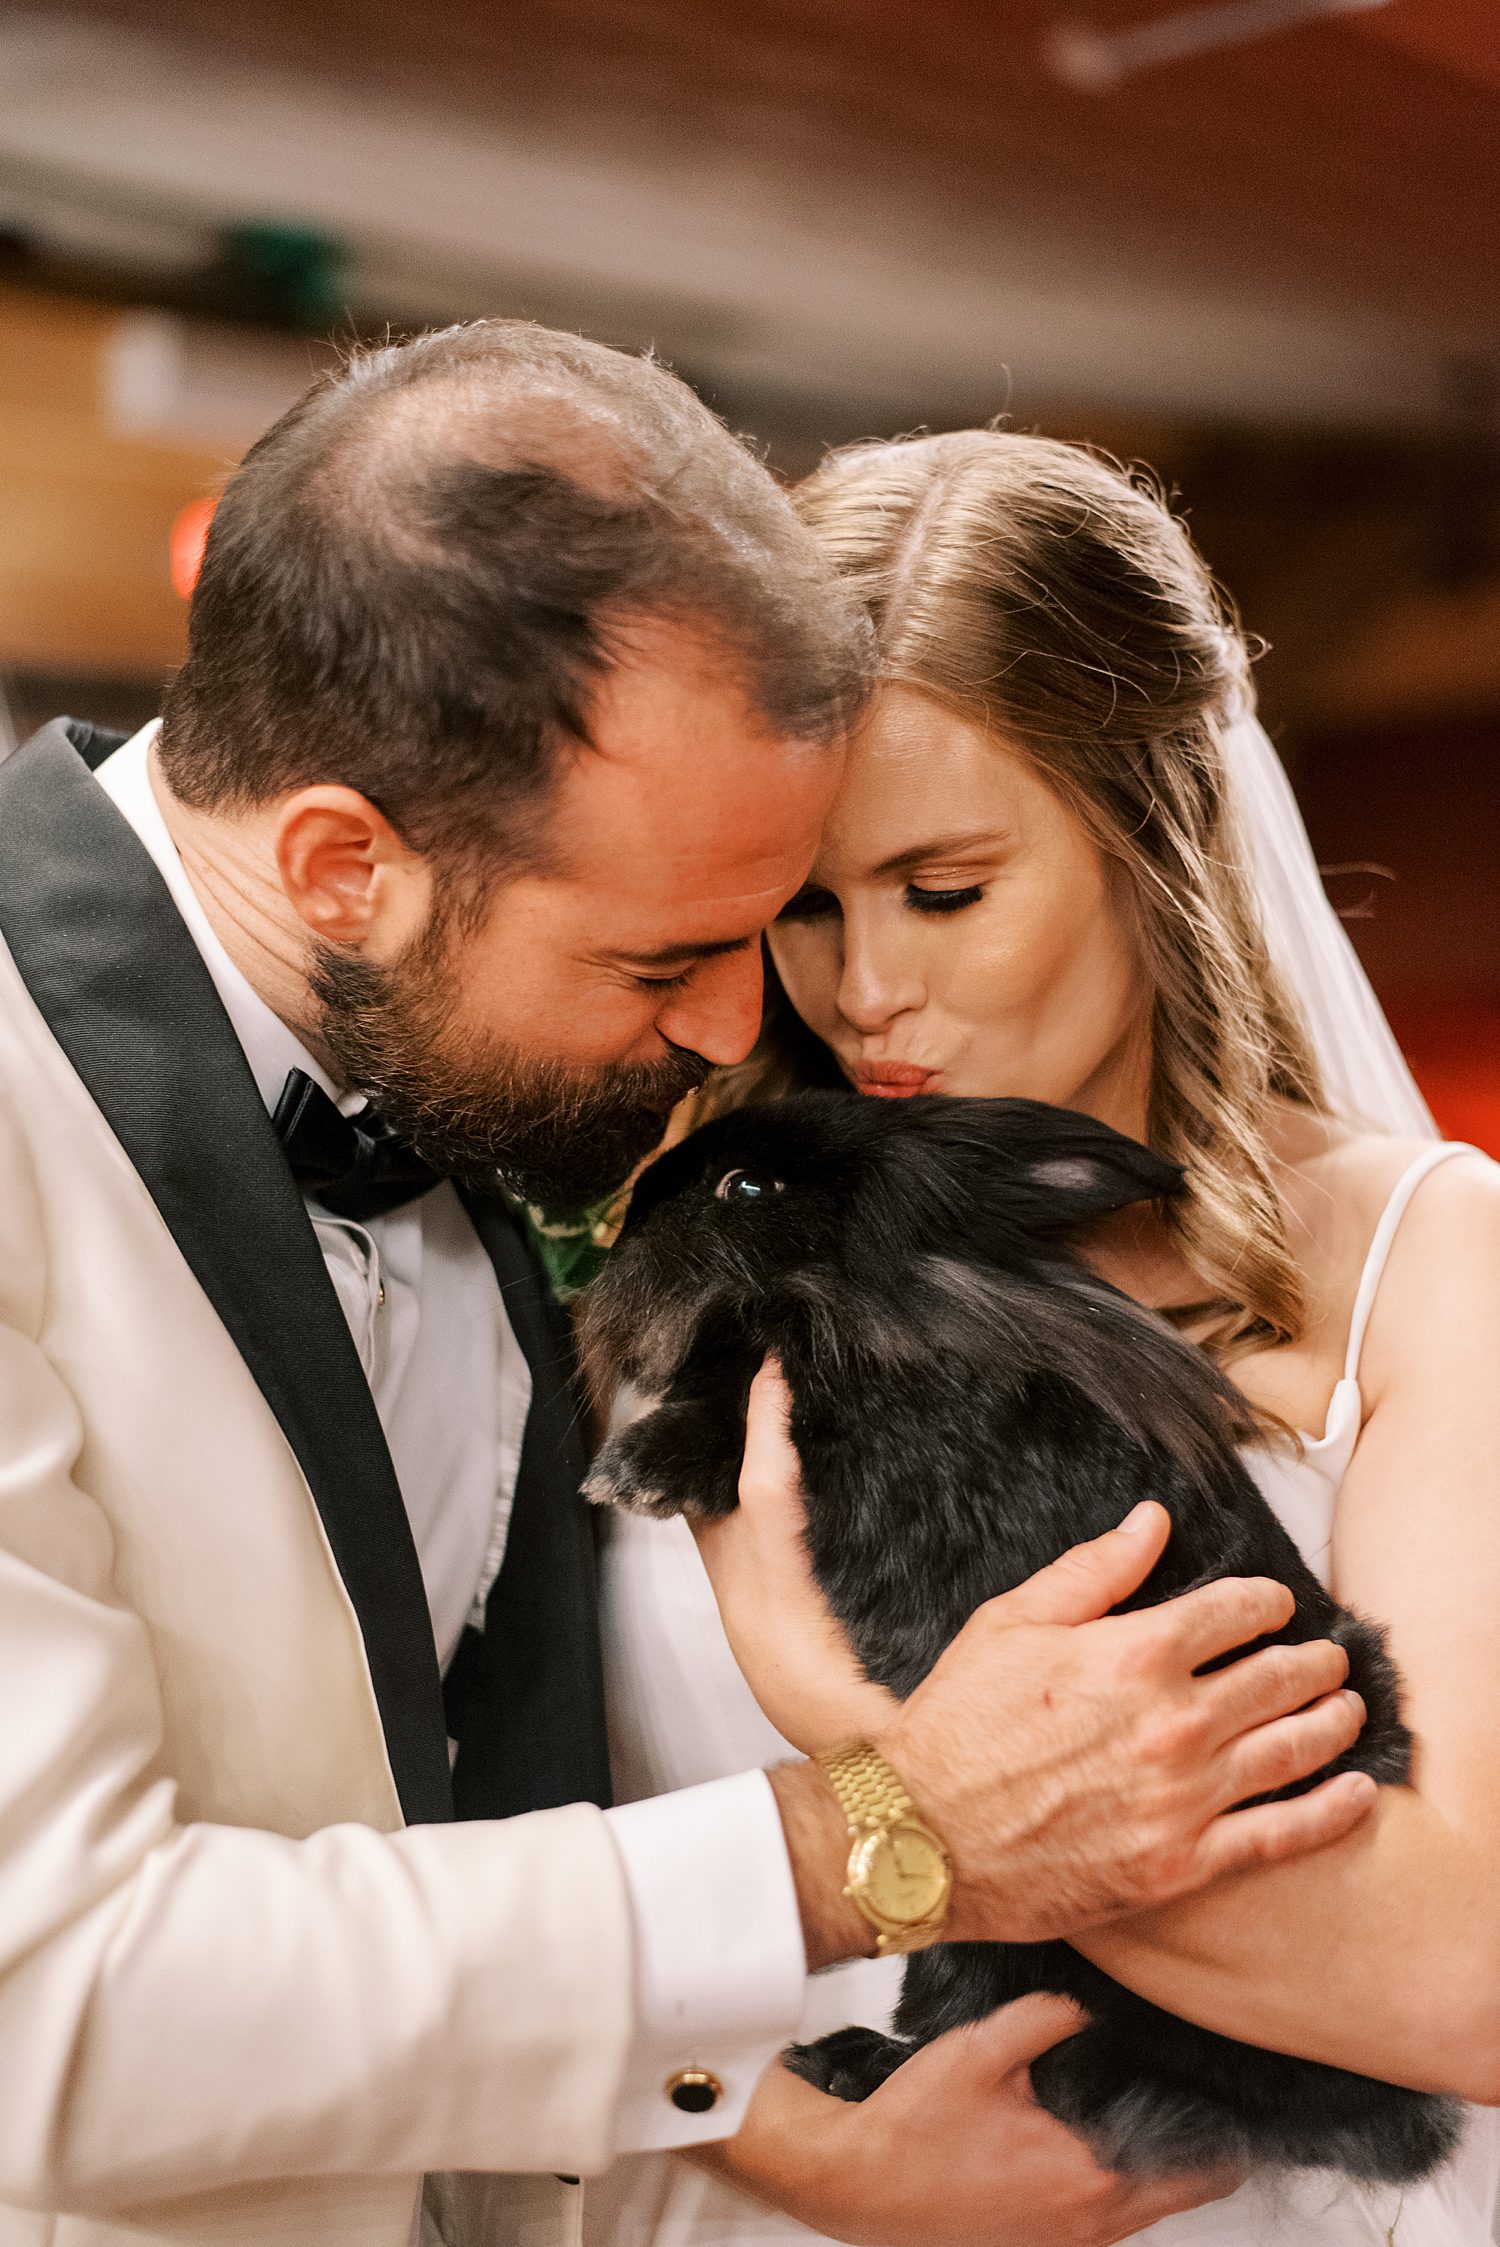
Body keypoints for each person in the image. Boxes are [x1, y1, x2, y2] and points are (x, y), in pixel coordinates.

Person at [0, 333, 1371, 2247]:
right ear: (343, 867)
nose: (749, 1025)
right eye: (666, 962)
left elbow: (440, 1848)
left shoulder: (461, 1080)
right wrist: (875, 1844)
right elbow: (44, 2011)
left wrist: (779, 2140)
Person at [593, 430, 1500, 2247]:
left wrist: (865, 1748)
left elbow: (1464, 1974)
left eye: (945, 891)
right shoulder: (674, 1245)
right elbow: (484, 1885)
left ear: (1152, 838)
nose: (864, 994)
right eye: (807, 908)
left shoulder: (1431, 1262)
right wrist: (784, 2148)